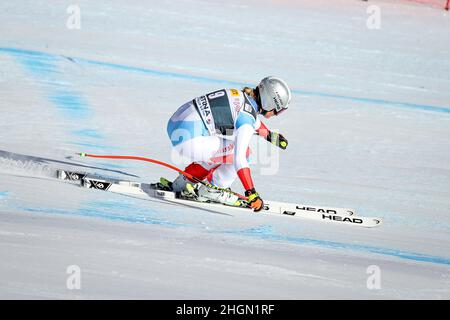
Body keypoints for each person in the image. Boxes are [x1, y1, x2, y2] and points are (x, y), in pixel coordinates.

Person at [165, 76, 291, 211]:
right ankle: (212, 191)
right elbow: (240, 158)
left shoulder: (240, 95)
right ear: (269, 103)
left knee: (221, 150)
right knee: (245, 153)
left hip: (175, 125)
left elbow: (252, 120)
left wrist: (270, 136)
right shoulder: (246, 120)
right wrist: (251, 193)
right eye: (278, 110)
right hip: (188, 141)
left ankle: (185, 182)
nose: (276, 114)